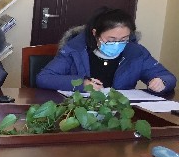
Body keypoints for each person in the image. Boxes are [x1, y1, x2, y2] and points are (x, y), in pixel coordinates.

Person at [36, 7, 176, 93]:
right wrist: (82, 84)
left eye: (123, 39)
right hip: (80, 110)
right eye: (111, 39)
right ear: (95, 33)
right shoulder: (75, 49)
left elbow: (168, 77)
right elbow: (44, 78)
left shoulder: (136, 53)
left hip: (120, 113)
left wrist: (162, 82)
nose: (117, 44)